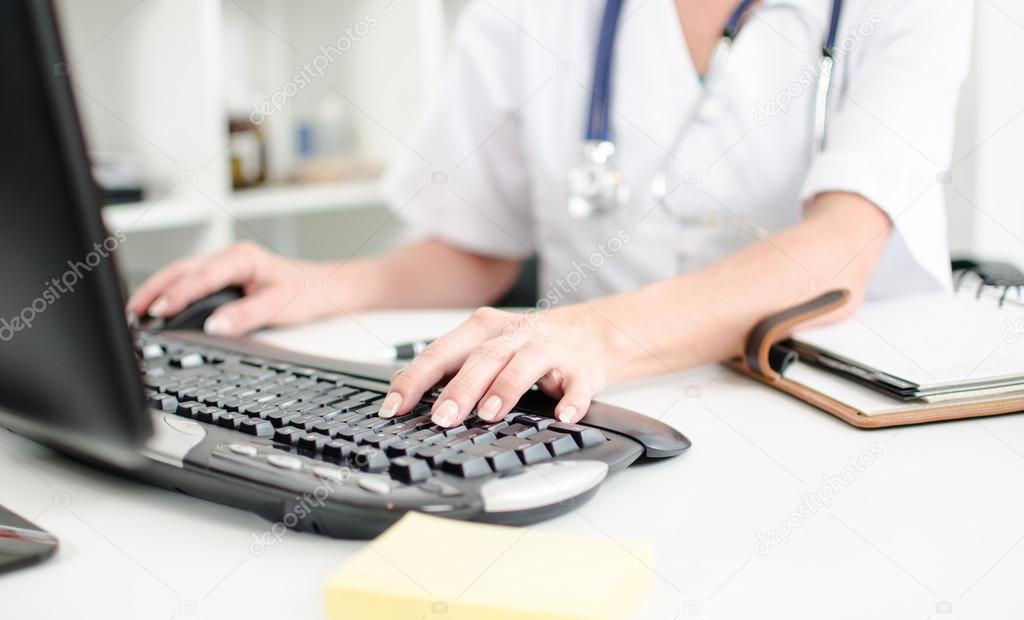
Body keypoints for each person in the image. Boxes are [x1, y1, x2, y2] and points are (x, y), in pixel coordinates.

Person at [127, 0, 972, 429]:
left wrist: (595, 334)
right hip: (607, 415)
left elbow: (836, 253)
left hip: (846, 422)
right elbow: (475, 248)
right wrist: (318, 283)